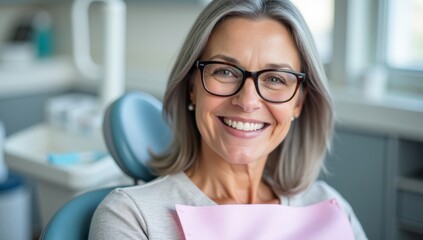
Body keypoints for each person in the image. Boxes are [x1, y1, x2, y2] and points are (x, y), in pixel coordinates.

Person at [89, 0, 368, 239]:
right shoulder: (131, 216)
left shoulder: (330, 207)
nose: (247, 102)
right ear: (192, 87)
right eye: (224, 72)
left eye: (274, 79)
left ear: (298, 103)